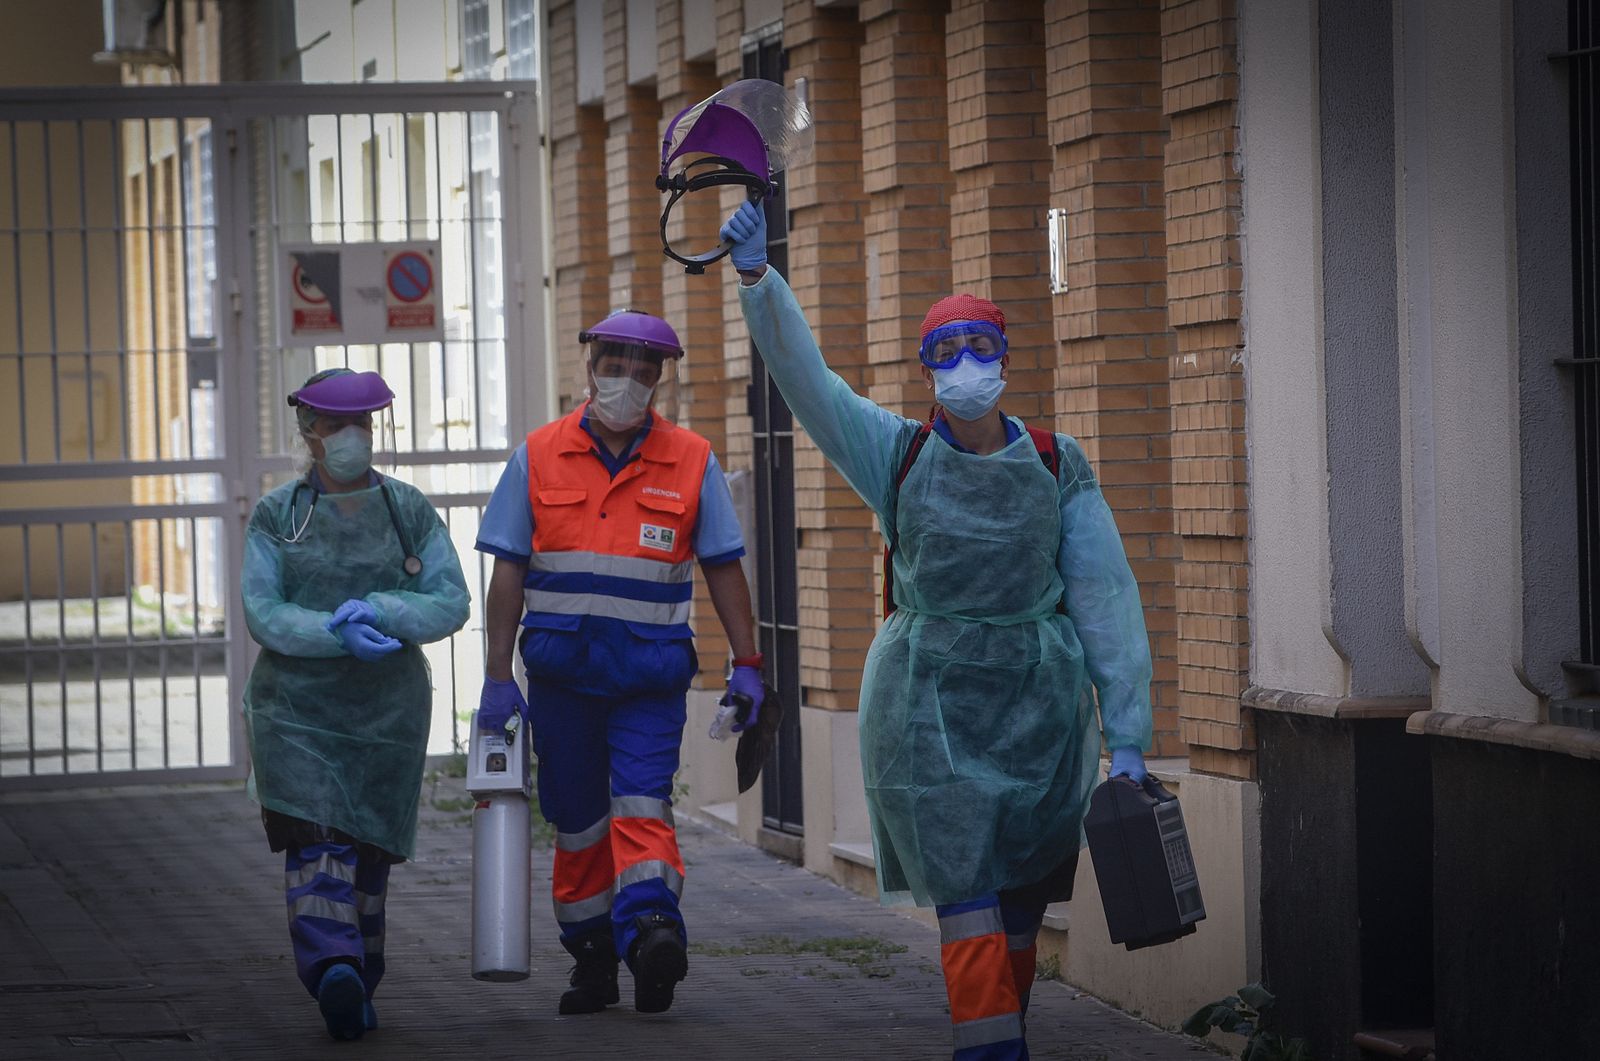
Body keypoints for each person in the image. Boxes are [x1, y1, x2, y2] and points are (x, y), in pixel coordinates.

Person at [720, 201, 1154, 1061]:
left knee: (1022, 901)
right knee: (966, 892)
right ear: (925, 370)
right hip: (929, 710)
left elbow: (1106, 599)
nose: (965, 366)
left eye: (979, 347)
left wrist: (1129, 735)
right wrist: (759, 282)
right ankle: (987, 1048)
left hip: (1039, 711)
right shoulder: (898, 455)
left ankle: (1002, 1028)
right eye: (945, 352)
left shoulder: (1056, 465)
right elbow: (812, 386)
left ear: (1005, 358)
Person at [475, 310, 763, 1016]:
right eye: (615, 362)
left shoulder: (692, 459)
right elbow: (507, 573)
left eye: (644, 368)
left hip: (648, 678)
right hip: (562, 677)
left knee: (641, 801)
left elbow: (724, 567)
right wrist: (495, 677)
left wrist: (749, 661)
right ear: (590, 364)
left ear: (660, 378)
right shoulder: (536, 455)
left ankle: (652, 930)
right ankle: (594, 955)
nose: (628, 379)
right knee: (575, 821)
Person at [241, 367, 470, 1041]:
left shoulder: (408, 511)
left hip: (385, 721)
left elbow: (450, 599)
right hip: (299, 716)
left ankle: (360, 970)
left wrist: (383, 609)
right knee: (320, 845)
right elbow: (263, 610)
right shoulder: (278, 515)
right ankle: (333, 965)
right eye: (334, 425)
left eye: (361, 424)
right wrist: (330, 631)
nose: (348, 437)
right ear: (308, 432)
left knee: (368, 855)